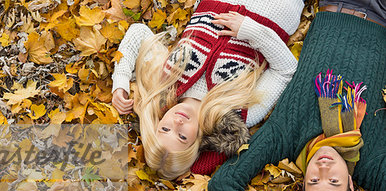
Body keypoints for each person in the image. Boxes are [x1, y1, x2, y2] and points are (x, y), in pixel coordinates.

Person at [208, 2, 386, 191]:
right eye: (334, 181)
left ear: (303, 179)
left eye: (314, 180)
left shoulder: (285, 139)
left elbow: (223, 183)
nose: (323, 168)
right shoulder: (370, 161)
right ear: (351, 181)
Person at [111, 0, 304, 179]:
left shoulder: (166, 82)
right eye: (182, 136)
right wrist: (250, 30)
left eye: (165, 128)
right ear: (197, 142)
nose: (177, 122)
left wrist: (120, 81)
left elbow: (138, 32)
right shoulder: (238, 113)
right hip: (276, 8)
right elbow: (285, 70)